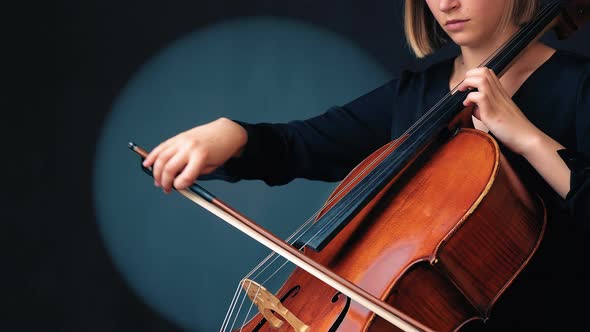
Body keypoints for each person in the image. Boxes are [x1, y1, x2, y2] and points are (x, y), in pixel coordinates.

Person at [142, 0, 589, 330]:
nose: (445, 4)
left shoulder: (578, 88)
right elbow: (301, 145)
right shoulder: (415, 95)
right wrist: (233, 135)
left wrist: (528, 137)